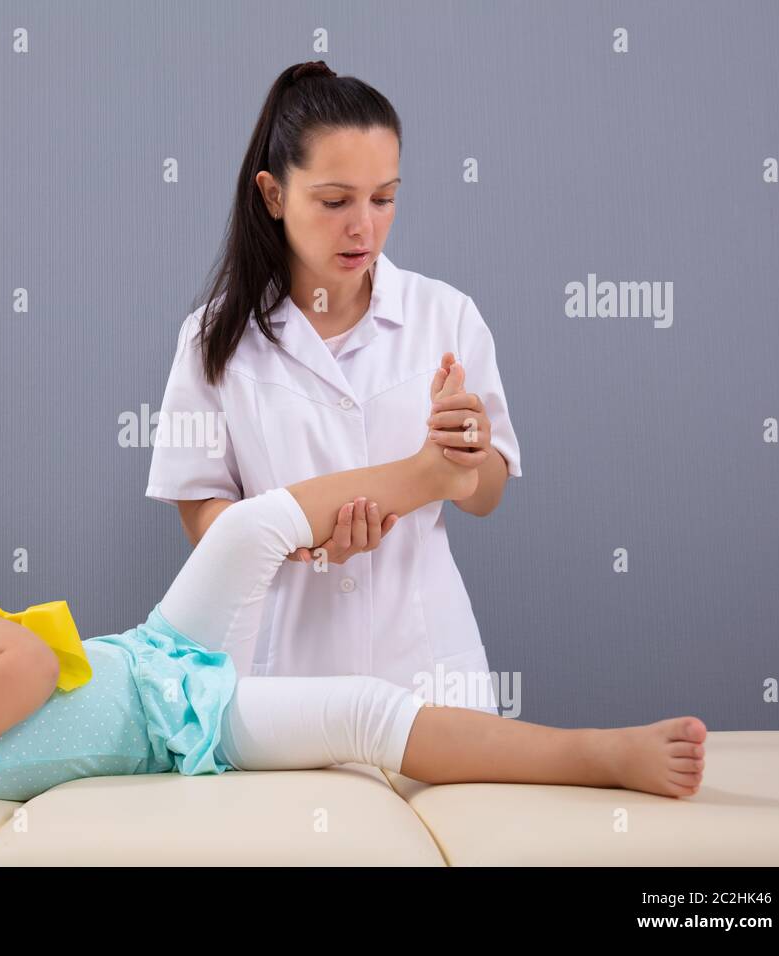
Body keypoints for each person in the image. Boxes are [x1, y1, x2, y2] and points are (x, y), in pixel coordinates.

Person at [0, 361, 705, 806]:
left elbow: (9, 666)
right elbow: (31, 661)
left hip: (155, 652)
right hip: (182, 720)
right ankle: (592, 751)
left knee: (255, 521)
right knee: (363, 714)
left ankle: (428, 469)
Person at [147, 60, 522, 711]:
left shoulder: (446, 315)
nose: (364, 228)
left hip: (425, 667)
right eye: (335, 201)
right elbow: (204, 521)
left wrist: (470, 449)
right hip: (285, 676)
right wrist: (297, 540)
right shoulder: (213, 339)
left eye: (384, 198)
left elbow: (484, 494)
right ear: (272, 194)